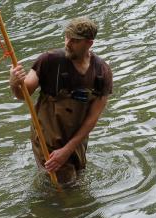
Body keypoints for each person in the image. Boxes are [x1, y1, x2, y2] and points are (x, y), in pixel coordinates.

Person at [9, 17, 113, 183]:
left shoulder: (101, 72)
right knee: (62, 183)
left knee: (78, 179)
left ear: (89, 43)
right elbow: (23, 95)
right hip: (46, 138)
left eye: (74, 40)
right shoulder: (49, 60)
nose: (68, 43)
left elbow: (92, 118)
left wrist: (67, 149)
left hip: (77, 140)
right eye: (67, 37)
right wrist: (15, 83)